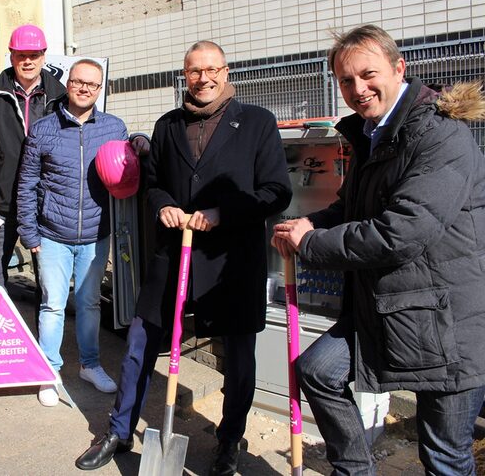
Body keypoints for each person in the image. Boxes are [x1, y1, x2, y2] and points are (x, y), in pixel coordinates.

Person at [272, 24, 485, 475]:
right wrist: (309, 222)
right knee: (318, 371)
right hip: (395, 308)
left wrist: (310, 243)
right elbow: (350, 208)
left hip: (451, 321)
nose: (358, 89)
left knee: (444, 456)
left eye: (368, 75)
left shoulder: (439, 136)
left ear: (399, 68)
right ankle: (354, 470)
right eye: (346, 81)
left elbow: (402, 233)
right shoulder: (375, 135)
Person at [75, 41, 292, 474]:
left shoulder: (256, 123)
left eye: (212, 69)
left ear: (227, 72)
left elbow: (276, 191)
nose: (204, 78)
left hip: (231, 262)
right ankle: (119, 430)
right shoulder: (168, 124)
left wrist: (221, 213)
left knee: (239, 357)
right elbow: (153, 183)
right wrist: (163, 205)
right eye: (195, 71)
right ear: (185, 75)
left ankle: (229, 441)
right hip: (174, 255)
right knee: (140, 342)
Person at [16, 59, 128, 407]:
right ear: (68, 84)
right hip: (52, 234)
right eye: (78, 81)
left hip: (96, 234)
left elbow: (128, 171)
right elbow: (27, 184)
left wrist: (139, 141)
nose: (84, 88)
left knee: (90, 303)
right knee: (52, 305)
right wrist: (29, 234)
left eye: (92, 84)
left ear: (100, 89)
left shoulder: (113, 128)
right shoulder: (44, 128)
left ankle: (90, 365)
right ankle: (48, 371)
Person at [0, 24, 67, 300]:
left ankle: (43, 344)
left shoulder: (60, 98)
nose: (28, 61)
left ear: (44, 56)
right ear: (11, 56)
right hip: (0, 204)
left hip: (47, 205)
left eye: (33, 55)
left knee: (49, 285)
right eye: (21, 54)